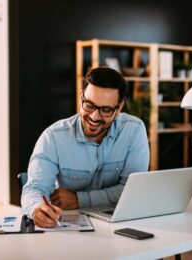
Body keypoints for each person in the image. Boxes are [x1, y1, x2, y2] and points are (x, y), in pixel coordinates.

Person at [21, 67, 149, 228]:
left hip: (119, 224)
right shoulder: (53, 137)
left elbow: (131, 190)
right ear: (81, 97)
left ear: (119, 109)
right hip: (68, 227)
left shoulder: (134, 130)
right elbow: (35, 188)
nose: (95, 116)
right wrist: (36, 208)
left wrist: (79, 199)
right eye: (89, 105)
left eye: (106, 110)